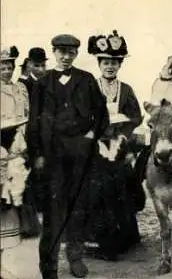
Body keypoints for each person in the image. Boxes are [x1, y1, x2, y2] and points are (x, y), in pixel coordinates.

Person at [30, 34, 109, 279]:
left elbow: (102, 116)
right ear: (53, 52)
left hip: (80, 155)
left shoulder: (86, 80)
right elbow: (34, 122)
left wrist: (90, 138)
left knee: (78, 208)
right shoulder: (42, 83)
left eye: (71, 52)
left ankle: (75, 258)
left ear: (76, 54)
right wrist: (38, 154)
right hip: (52, 156)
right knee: (54, 212)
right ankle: (49, 266)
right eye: (61, 52)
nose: (66, 57)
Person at [84, 31, 143, 261]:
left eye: (114, 63)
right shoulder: (90, 87)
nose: (110, 67)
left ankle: (124, 238)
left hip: (119, 146)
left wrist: (122, 136)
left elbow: (136, 116)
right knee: (97, 191)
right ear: (99, 64)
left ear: (120, 65)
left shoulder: (126, 89)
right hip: (96, 146)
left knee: (122, 190)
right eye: (106, 62)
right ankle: (98, 240)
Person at [1, 46, 31, 278]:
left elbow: (27, 115)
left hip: (16, 148)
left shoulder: (21, 88)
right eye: (2, 66)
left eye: (9, 66)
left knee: (11, 208)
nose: (6, 70)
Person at [18, 47, 48, 236]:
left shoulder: (42, 83)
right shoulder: (23, 85)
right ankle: (27, 223)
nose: (40, 69)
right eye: (36, 65)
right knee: (28, 177)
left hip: (40, 134)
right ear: (28, 65)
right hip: (27, 134)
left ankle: (36, 221)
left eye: (43, 65)